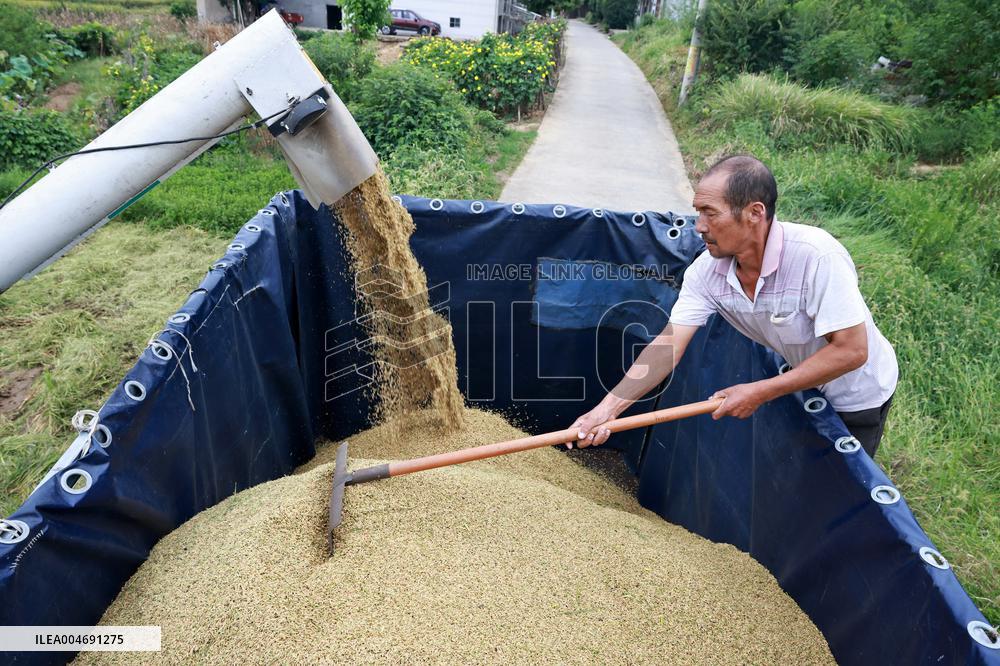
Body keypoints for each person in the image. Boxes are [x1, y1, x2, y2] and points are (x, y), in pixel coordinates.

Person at [571, 155, 897, 457]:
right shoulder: (706, 273)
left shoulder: (816, 256)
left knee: (835, 491)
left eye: (710, 213)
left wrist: (760, 391)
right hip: (798, 385)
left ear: (754, 213)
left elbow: (852, 351)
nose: (699, 225)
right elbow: (666, 347)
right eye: (698, 212)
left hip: (854, 396)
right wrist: (606, 410)